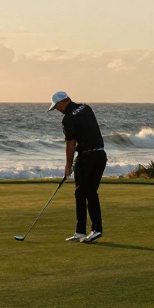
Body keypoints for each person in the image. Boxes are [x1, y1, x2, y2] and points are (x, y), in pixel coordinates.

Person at [49, 91, 106, 243]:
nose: (57, 110)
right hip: (100, 156)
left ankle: (96, 229)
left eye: (57, 107)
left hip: (86, 157)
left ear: (63, 102)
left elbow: (71, 144)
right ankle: (80, 231)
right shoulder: (85, 107)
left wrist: (68, 166)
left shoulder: (67, 118)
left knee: (86, 192)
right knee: (83, 193)